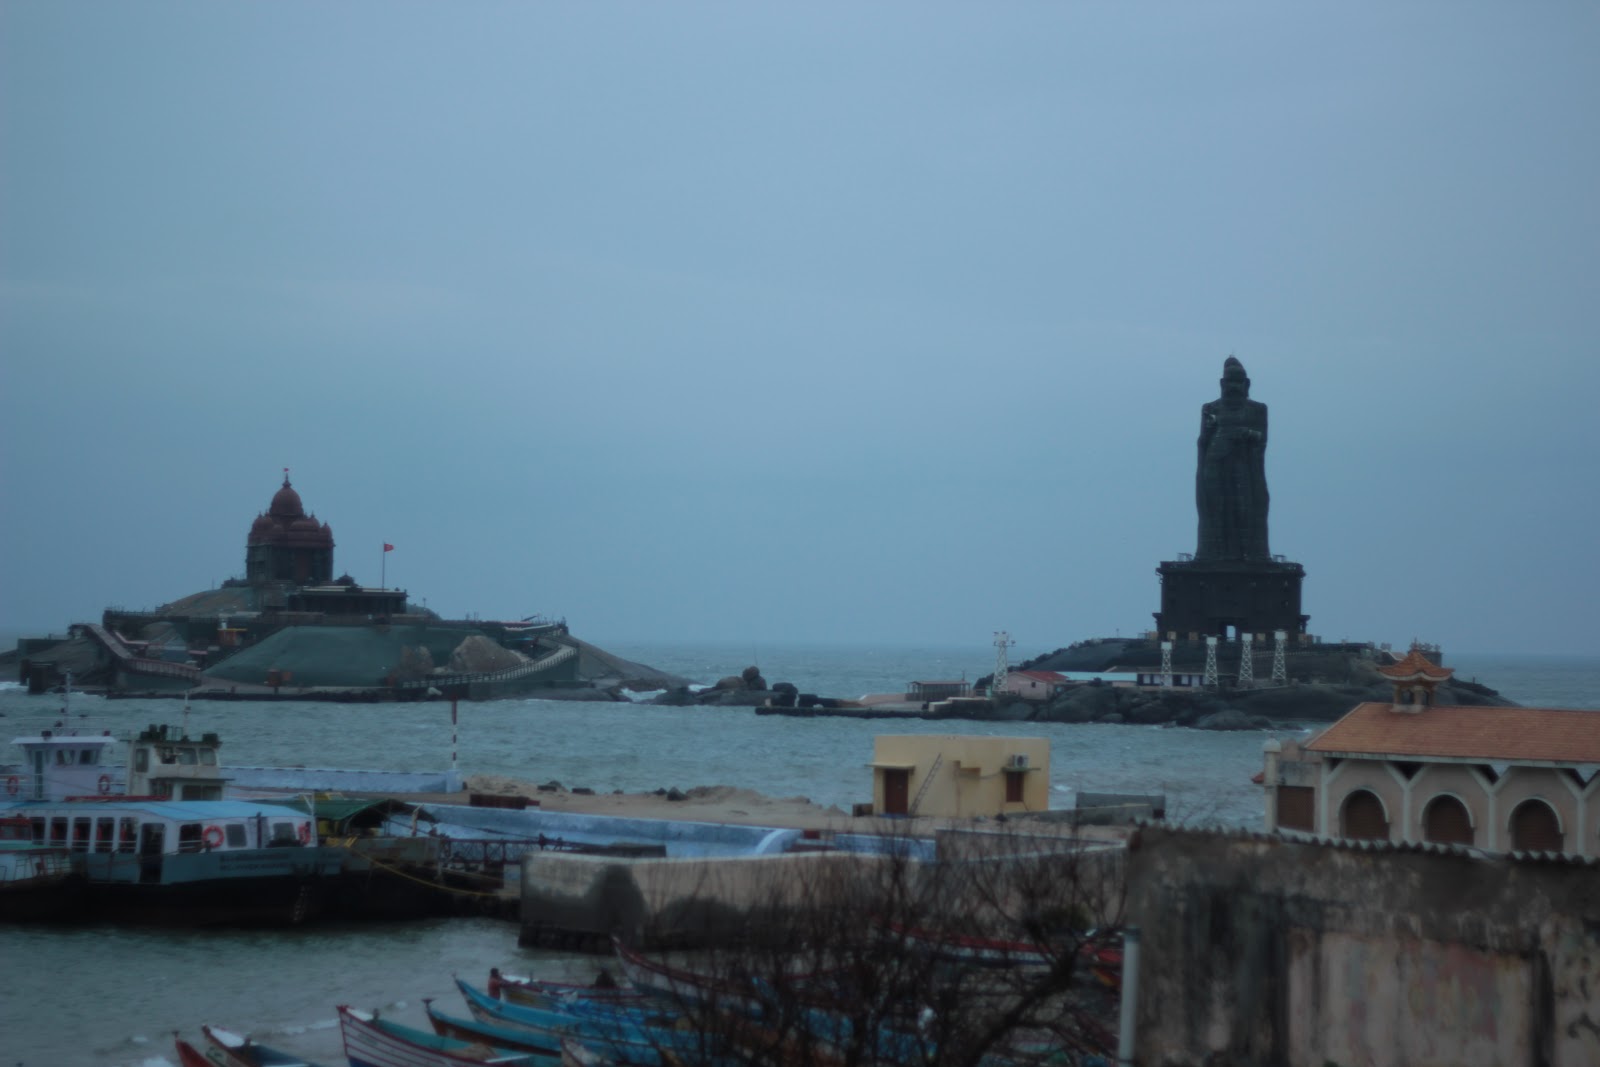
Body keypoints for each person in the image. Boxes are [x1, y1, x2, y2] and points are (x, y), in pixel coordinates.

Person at [1196, 357, 1271, 560]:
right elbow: (1202, 443)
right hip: (1214, 464)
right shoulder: (1211, 409)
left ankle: (1251, 555)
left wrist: (1244, 433)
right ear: (1222, 384)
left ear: (1246, 384)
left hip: (1244, 467)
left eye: (1238, 382)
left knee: (1245, 509)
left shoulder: (1257, 409)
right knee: (1214, 511)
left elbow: (1261, 440)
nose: (1233, 387)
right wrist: (1211, 431)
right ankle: (1212, 554)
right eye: (1229, 382)